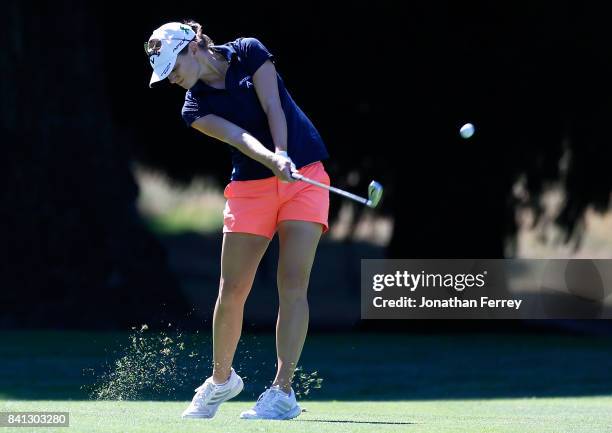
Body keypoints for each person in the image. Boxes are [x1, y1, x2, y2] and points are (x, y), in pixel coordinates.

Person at [145, 21, 330, 420]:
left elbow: (273, 106)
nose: (171, 79)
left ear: (193, 47)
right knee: (232, 290)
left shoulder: (248, 50)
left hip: (305, 176)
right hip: (250, 188)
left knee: (293, 284)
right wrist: (270, 159)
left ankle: (281, 391)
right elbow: (239, 139)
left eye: (172, 66)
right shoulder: (193, 108)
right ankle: (221, 380)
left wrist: (283, 153)